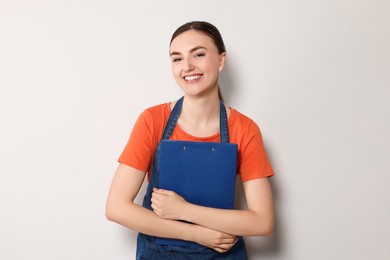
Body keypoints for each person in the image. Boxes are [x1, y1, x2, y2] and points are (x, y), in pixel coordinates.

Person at [106, 21, 274, 259]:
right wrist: (197, 234)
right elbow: (116, 208)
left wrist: (184, 210)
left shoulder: (245, 129)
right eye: (177, 58)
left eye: (198, 54)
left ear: (221, 60)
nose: (187, 66)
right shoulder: (153, 120)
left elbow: (262, 221)